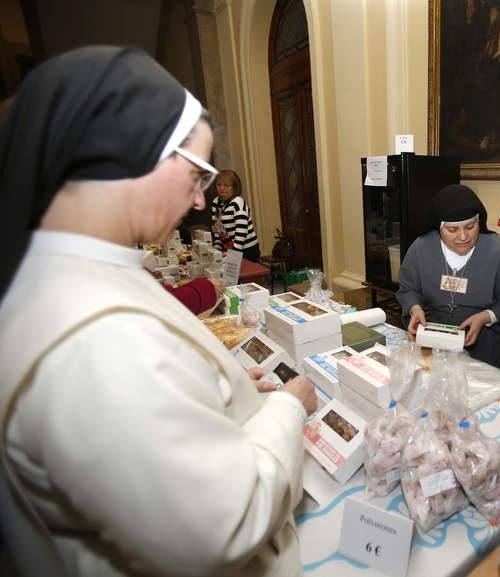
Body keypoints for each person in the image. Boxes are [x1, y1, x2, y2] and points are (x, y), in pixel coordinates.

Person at [0, 46, 316, 577]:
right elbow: (225, 523)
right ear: (133, 153)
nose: (199, 200)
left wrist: (223, 392)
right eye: (197, 174)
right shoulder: (96, 338)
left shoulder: (73, 272)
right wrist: (288, 407)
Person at [396, 184, 500, 369]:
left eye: (470, 227)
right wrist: (414, 309)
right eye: (452, 230)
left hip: (483, 346)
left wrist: (485, 317)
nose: (463, 236)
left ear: (479, 222)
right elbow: (408, 288)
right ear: (439, 229)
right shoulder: (421, 248)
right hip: (433, 342)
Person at [211, 168, 261, 262]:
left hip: (246, 249)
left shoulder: (238, 202)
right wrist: (217, 249)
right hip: (229, 248)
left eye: (226, 185)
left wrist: (234, 252)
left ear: (234, 187)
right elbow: (217, 227)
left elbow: (241, 230)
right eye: (219, 185)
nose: (222, 188)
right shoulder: (216, 202)